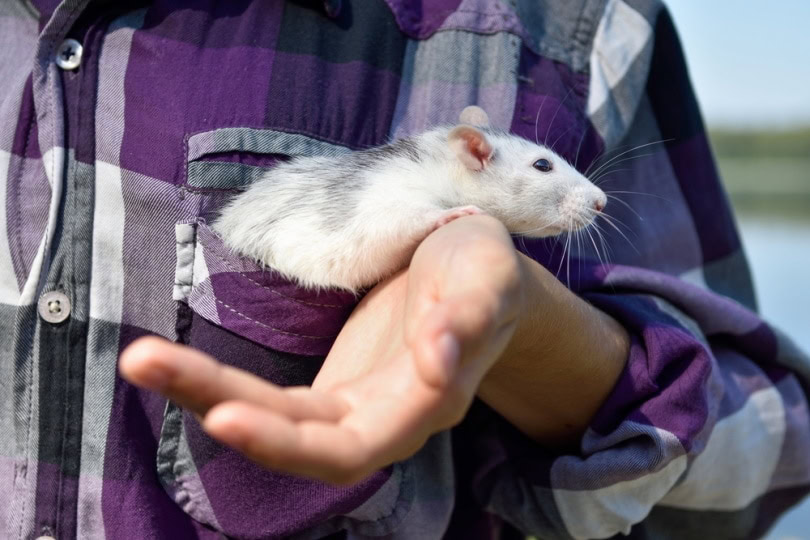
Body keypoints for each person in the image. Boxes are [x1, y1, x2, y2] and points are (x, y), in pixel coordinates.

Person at [1, 0, 808, 538]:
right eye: (542, 174)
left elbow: (767, 454)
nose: (585, 199)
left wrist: (531, 326)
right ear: (472, 156)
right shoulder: (423, 177)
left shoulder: (571, 23)